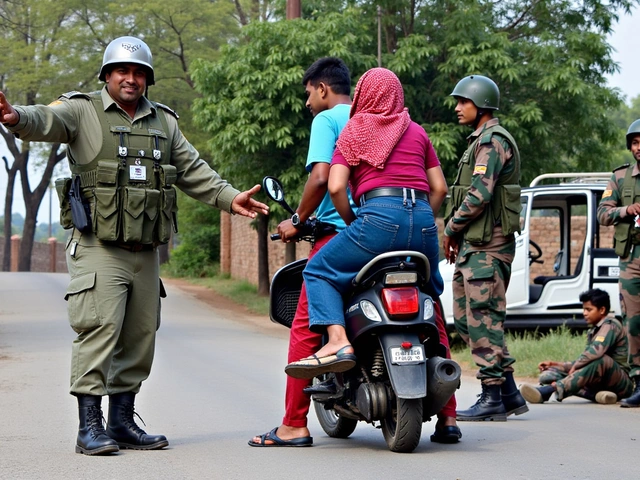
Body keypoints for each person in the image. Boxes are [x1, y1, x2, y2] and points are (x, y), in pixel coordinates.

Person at [0, 36, 268, 455]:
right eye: (122, 71)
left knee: (141, 334)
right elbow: (44, 121)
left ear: (147, 80)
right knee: (100, 328)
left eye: (139, 72)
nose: (131, 79)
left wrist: (231, 198)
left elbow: (193, 170)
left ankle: (121, 422)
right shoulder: (81, 110)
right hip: (98, 248)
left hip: (146, 252)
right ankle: (89, 428)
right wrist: (15, 116)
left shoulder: (164, 122)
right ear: (106, 75)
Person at [285, 67, 462, 443]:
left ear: (364, 94)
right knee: (431, 296)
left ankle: (336, 340)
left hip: (377, 220)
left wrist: (354, 222)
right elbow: (440, 188)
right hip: (425, 223)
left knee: (317, 271)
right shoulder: (416, 130)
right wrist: (420, 220)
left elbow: (334, 186)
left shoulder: (355, 128)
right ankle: (448, 413)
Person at [248, 57, 355, 447]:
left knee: (306, 325)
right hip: (385, 233)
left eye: (308, 92)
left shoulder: (327, 120)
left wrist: (297, 217)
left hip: (335, 237)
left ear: (322, 88)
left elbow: (322, 177)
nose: (307, 101)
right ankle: (447, 418)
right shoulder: (373, 118)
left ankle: (294, 423)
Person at [442, 75, 528, 422]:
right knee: (467, 321)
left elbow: (479, 194)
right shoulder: (478, 141)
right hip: (473, 246)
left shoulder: (492, 142)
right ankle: (509, 393)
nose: (457, 107)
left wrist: (449, 228)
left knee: (482, 320)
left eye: (463, 101)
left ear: (480, 104)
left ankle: (492, 396)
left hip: (488, 248)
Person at [519, 289, 633, 404]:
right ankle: (597, 395)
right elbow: (585, 362)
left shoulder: (611, 325)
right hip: (601, 378)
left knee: (601, 360)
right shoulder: (594, 330)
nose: (584, 313)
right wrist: (555, 364)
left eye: (589, 309)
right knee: (548, 375)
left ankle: (550, 390)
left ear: (602, 310)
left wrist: (577, 366)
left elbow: (595, 352)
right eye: (584, 309)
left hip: (621, 383)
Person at [597, 118, 640, 407]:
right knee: (634, 322)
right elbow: (602, 212)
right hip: (632, 257)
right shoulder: (621, 177)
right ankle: (638, 380)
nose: (639, 148)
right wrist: (627, 209)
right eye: (636, 143)